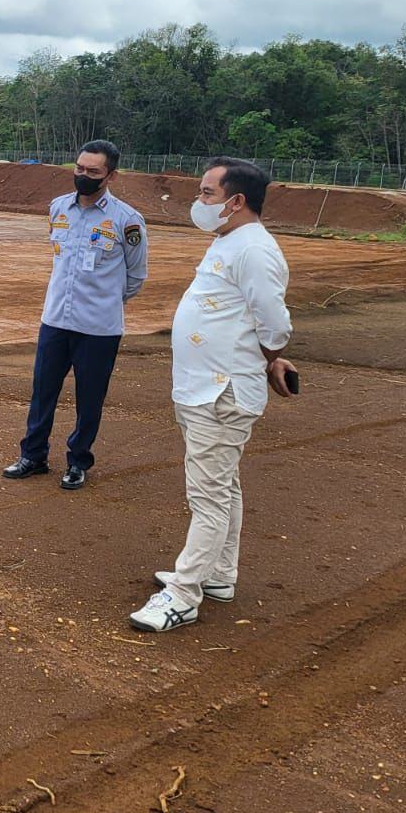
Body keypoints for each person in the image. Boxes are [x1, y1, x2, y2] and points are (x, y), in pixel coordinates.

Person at [129, 158, 297, 633]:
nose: (198, 202)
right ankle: (219, 575)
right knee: (224, 487)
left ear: (235, 201)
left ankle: (183, 595)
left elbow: (275, 324)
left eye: (206, 193)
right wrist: (267, 358)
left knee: (208, 496)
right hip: (204, 389)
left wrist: (271, 356)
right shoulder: (230, 241)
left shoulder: (255, 251)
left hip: (219, 394)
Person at [3, 140, 148, 490]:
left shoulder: (127, 221)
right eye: (79, 169)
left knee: (89, 398)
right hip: (54, 321)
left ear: (110, 175)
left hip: (98, 328)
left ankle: (78, 460)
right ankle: (33, 456)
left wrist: (105, 301)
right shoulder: (58, 209)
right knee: (42, 392)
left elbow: (135, 276)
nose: (83, 176)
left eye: (93, 172)